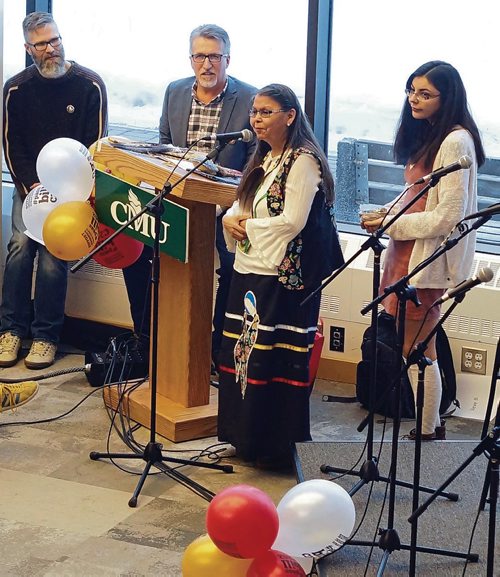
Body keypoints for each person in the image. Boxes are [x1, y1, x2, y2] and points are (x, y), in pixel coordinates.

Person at [217, 83, 344, 469]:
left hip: (283, 276)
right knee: (243, 355)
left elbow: (292, 221)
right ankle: (243, 436)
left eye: (266, 111)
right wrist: (230, 220)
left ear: (290, 116)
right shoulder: (263, 158)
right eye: (254, 111)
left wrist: (247, 225)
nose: (256, 118)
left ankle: (272, 444)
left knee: (272, 360)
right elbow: (238, 206)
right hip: (249, 268)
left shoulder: (303, 161)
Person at [362, 61, 485, 440]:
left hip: (424, 259)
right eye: (412, 90)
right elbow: (420, 198)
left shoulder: (455, 141)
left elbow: (447, 216)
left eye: (425, 94)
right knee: (412, 346)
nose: (414, 99)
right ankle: (429, 426)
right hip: (406, 252)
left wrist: (390, 225)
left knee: (419, 348)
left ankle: (429, 428)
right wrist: (389, 216)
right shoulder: (434, 134)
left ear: (446, 99)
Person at [122, 23, 256, 370]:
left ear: (228, 59)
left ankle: (213, 350)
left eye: (214, 56)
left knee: (233, 268)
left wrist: (230, 204)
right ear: (191, 59)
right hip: (177, 200)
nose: (206, 64)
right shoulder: (175, 91)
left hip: (226, 204)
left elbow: (256, 163)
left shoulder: (250, 99)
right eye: (200, 56)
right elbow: (165, 144)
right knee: (137, 256)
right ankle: (149, 341)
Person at [0, 11, 108, 370]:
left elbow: (96, 145)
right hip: (30, 186)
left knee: (53, 255)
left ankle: (46, 336)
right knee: (19, 247)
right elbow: (12, 145)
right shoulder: (16, 88)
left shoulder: (90, 85)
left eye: (55, 40)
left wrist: (74, 191)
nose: (51, 49)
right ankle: (11, 330)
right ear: (29, 48)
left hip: (74, 191)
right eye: (42, 44)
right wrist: (31, 187)